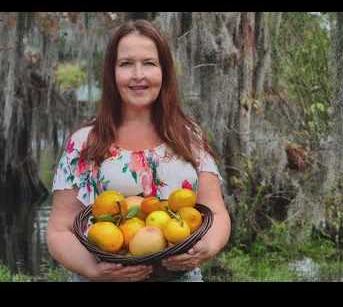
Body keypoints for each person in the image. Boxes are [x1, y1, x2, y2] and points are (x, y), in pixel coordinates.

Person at [47, 19, 231, 282]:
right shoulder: (85, 142)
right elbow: (59, 230)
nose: (138, 75)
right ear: (112, 74)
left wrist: (206, 249)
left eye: (149, 63)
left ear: (164, 71)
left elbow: (217, 212)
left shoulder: (189, 136)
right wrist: (93, 271)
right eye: (126, 64)